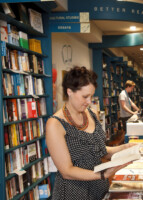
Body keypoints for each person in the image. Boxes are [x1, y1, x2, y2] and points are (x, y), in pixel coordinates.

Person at [46, 66, 134, 200]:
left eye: (91, 96)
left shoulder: (91, 113)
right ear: (69, 92)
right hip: (73, 192)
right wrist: (103, 174)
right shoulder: (55, 124)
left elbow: (98, 149)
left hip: (98, 187)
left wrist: (122, 148)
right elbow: (67, 171)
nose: (89, 101)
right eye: (85, 96)